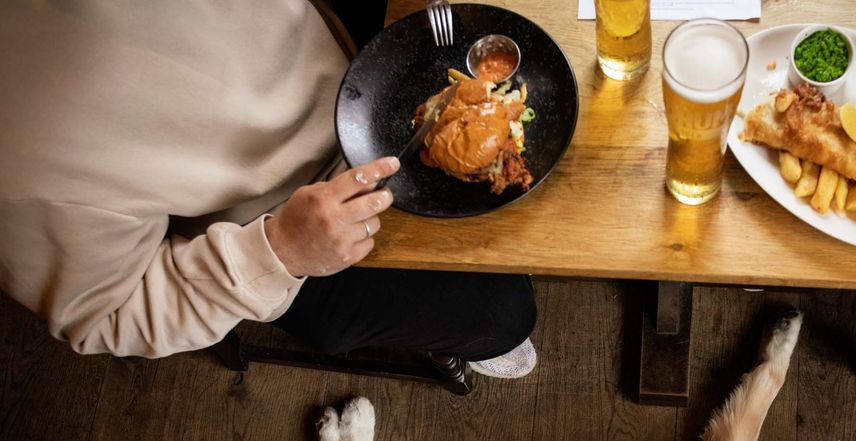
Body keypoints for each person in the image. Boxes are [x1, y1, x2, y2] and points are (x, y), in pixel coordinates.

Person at [0, 0, 538, 379]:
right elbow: (105, 314)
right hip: (284, 228)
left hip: (325, 38)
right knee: (503, 315)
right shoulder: (17, 155)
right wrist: (277, 252)